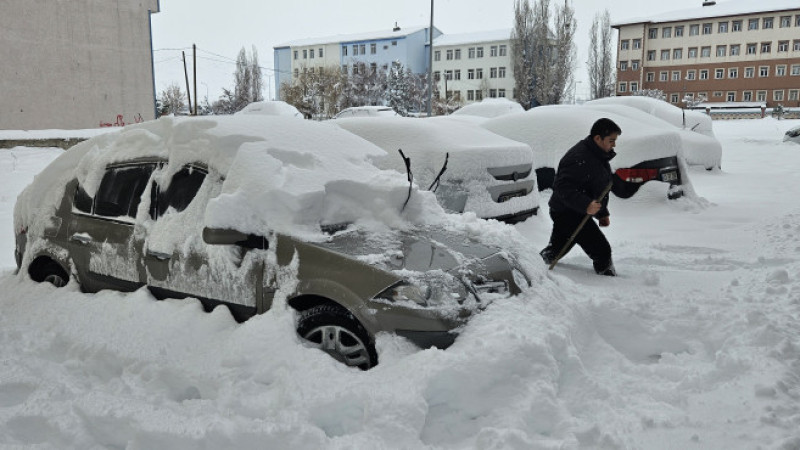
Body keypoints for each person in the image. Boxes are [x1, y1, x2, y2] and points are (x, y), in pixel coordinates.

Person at [539, 118, 640, 276]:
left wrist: (602, 213)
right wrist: (586, 205)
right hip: (566, 212)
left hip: (574, 210)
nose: (614, 145)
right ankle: (608, 280)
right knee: (601, 250)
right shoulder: (578, 157)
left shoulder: (598, 155)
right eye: (611, 140)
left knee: (557, 248)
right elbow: (562, 187)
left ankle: (535, 265)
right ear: (598, 138)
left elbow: (599, 187)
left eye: (615, 141)